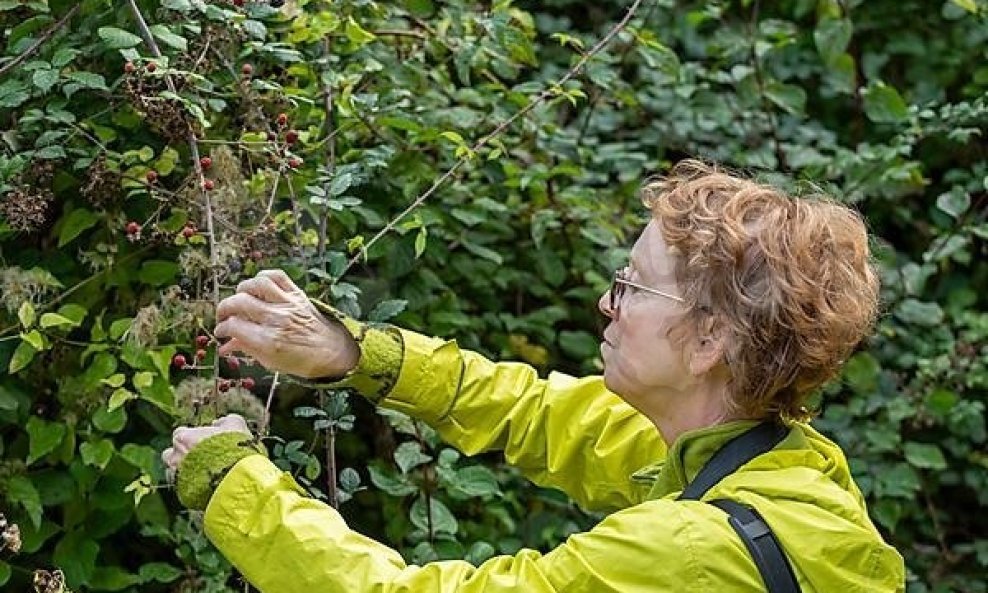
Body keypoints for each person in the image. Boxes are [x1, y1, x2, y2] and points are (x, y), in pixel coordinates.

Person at [162, 160, 906, 592]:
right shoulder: (773, 464)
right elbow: (538, 412)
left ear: (711, 337)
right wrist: (353, 354)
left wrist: (236, 484)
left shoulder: (686, 552)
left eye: (634, 286)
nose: (606, 303)